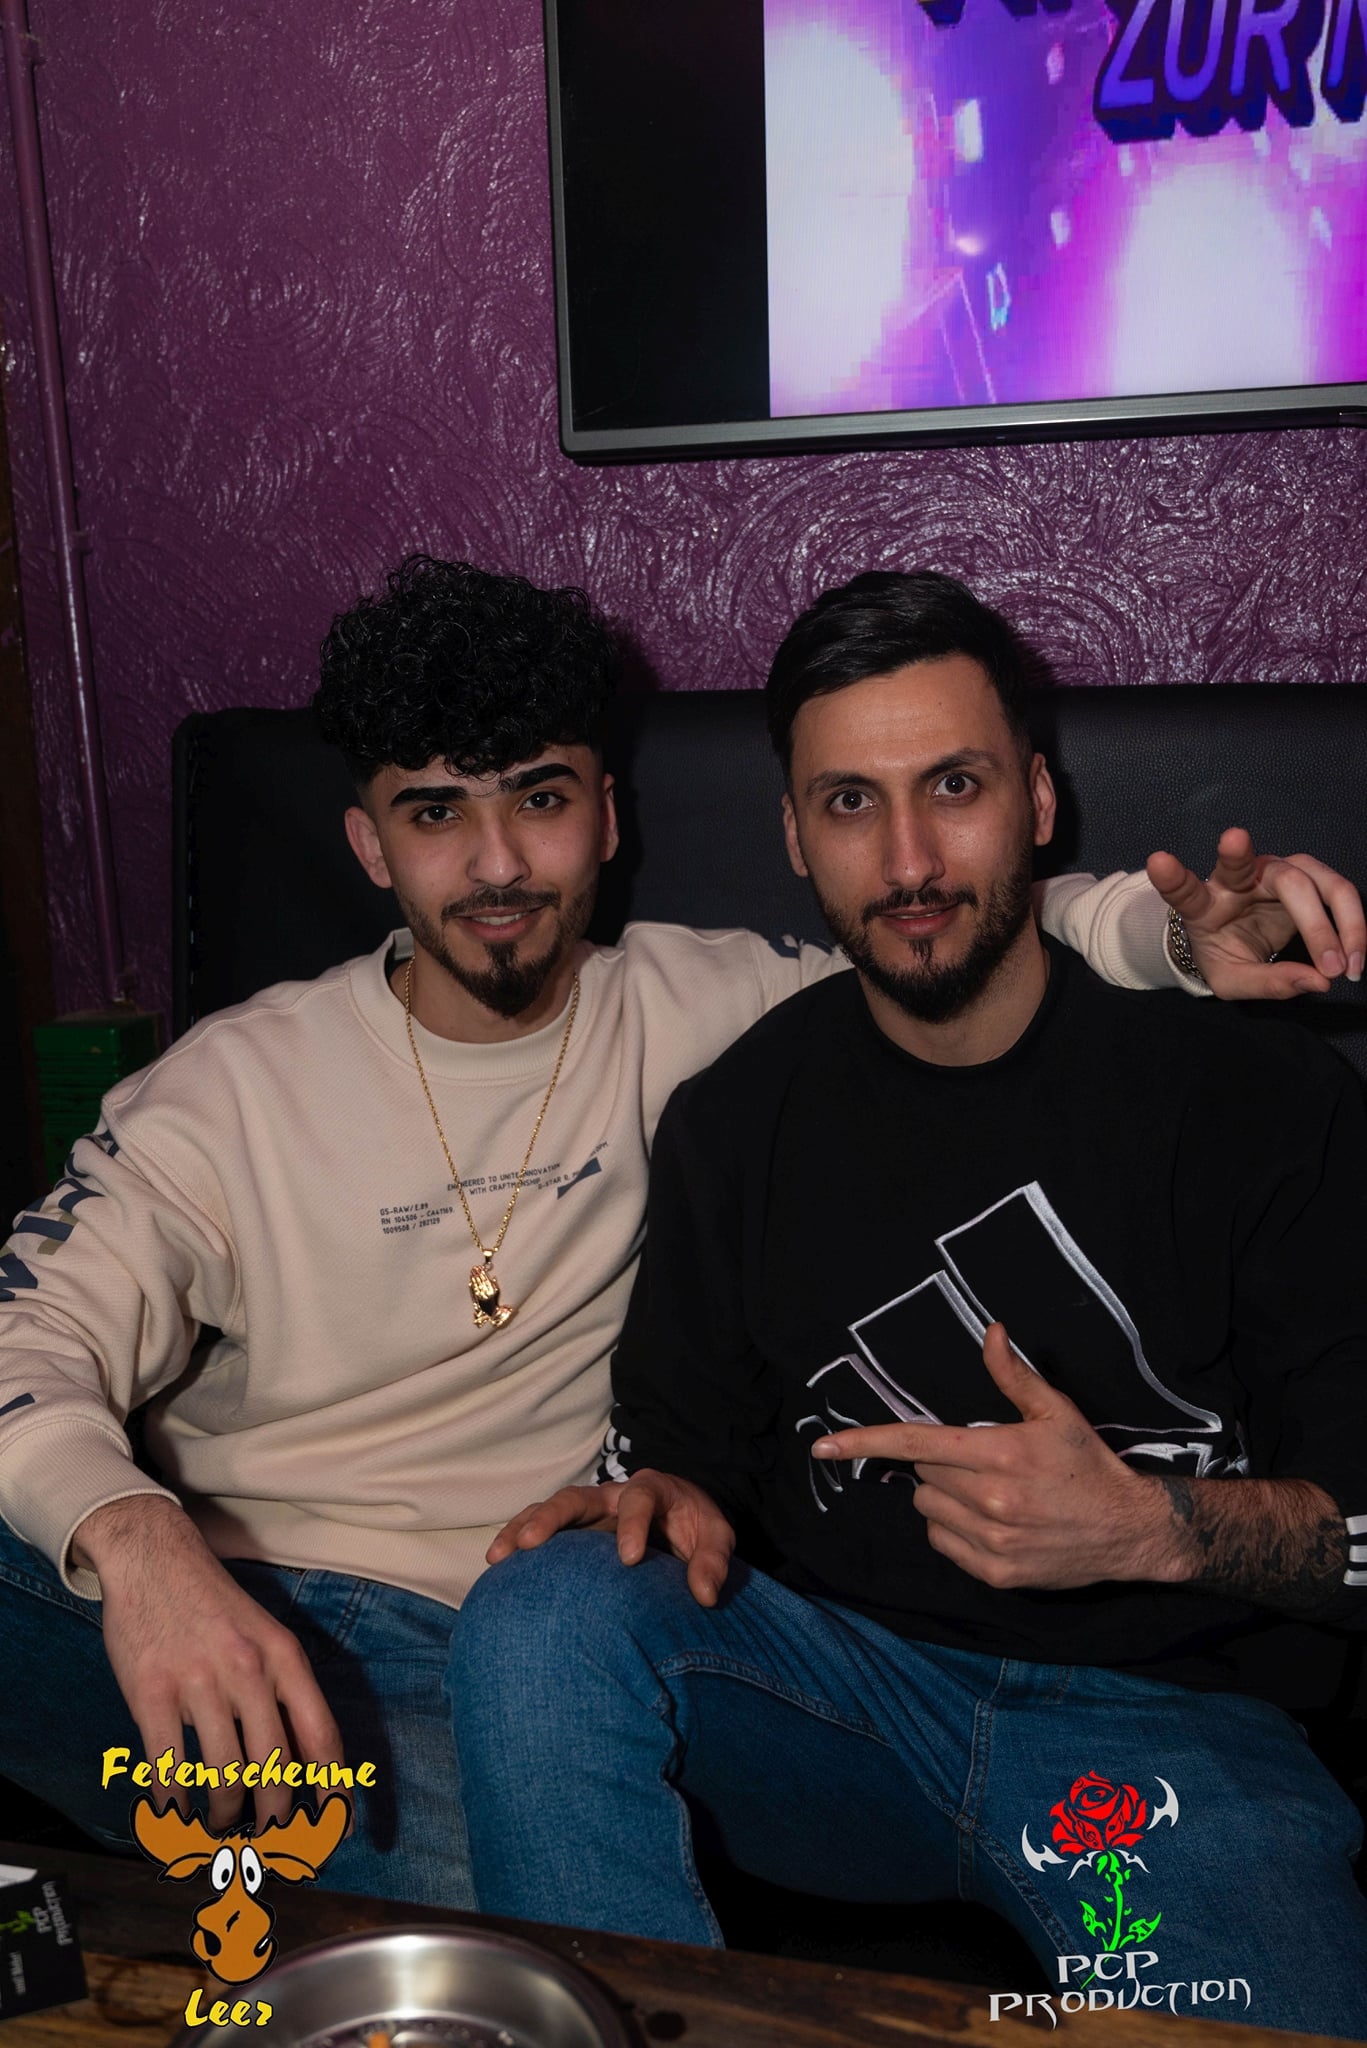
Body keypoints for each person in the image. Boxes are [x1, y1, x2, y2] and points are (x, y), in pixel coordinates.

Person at [0, 558, 1358, 1912]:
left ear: (604, 817)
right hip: (220, 1589)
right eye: (435, 812)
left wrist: (1168, 936)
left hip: (501, 1631)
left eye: (539, 798)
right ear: (369, 845)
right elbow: (26, 1337)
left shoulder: (713, 1010)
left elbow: (937, 925)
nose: (495, 865)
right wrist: (141, 1546)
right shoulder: (225, 1090)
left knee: (526, 1736)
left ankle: (296, 1874)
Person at [449, 570, 1367, 2038]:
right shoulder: (736, 1121)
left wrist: (1150, 1526)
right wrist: (657, 1498)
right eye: (851, 804)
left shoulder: (1259, 1100)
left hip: (1170, 1737)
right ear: (793, 837)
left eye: (954, 785)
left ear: (1039, 801)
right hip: (847, 1704)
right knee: (544, 1608)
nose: (912, 858)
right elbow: (682, 1464)